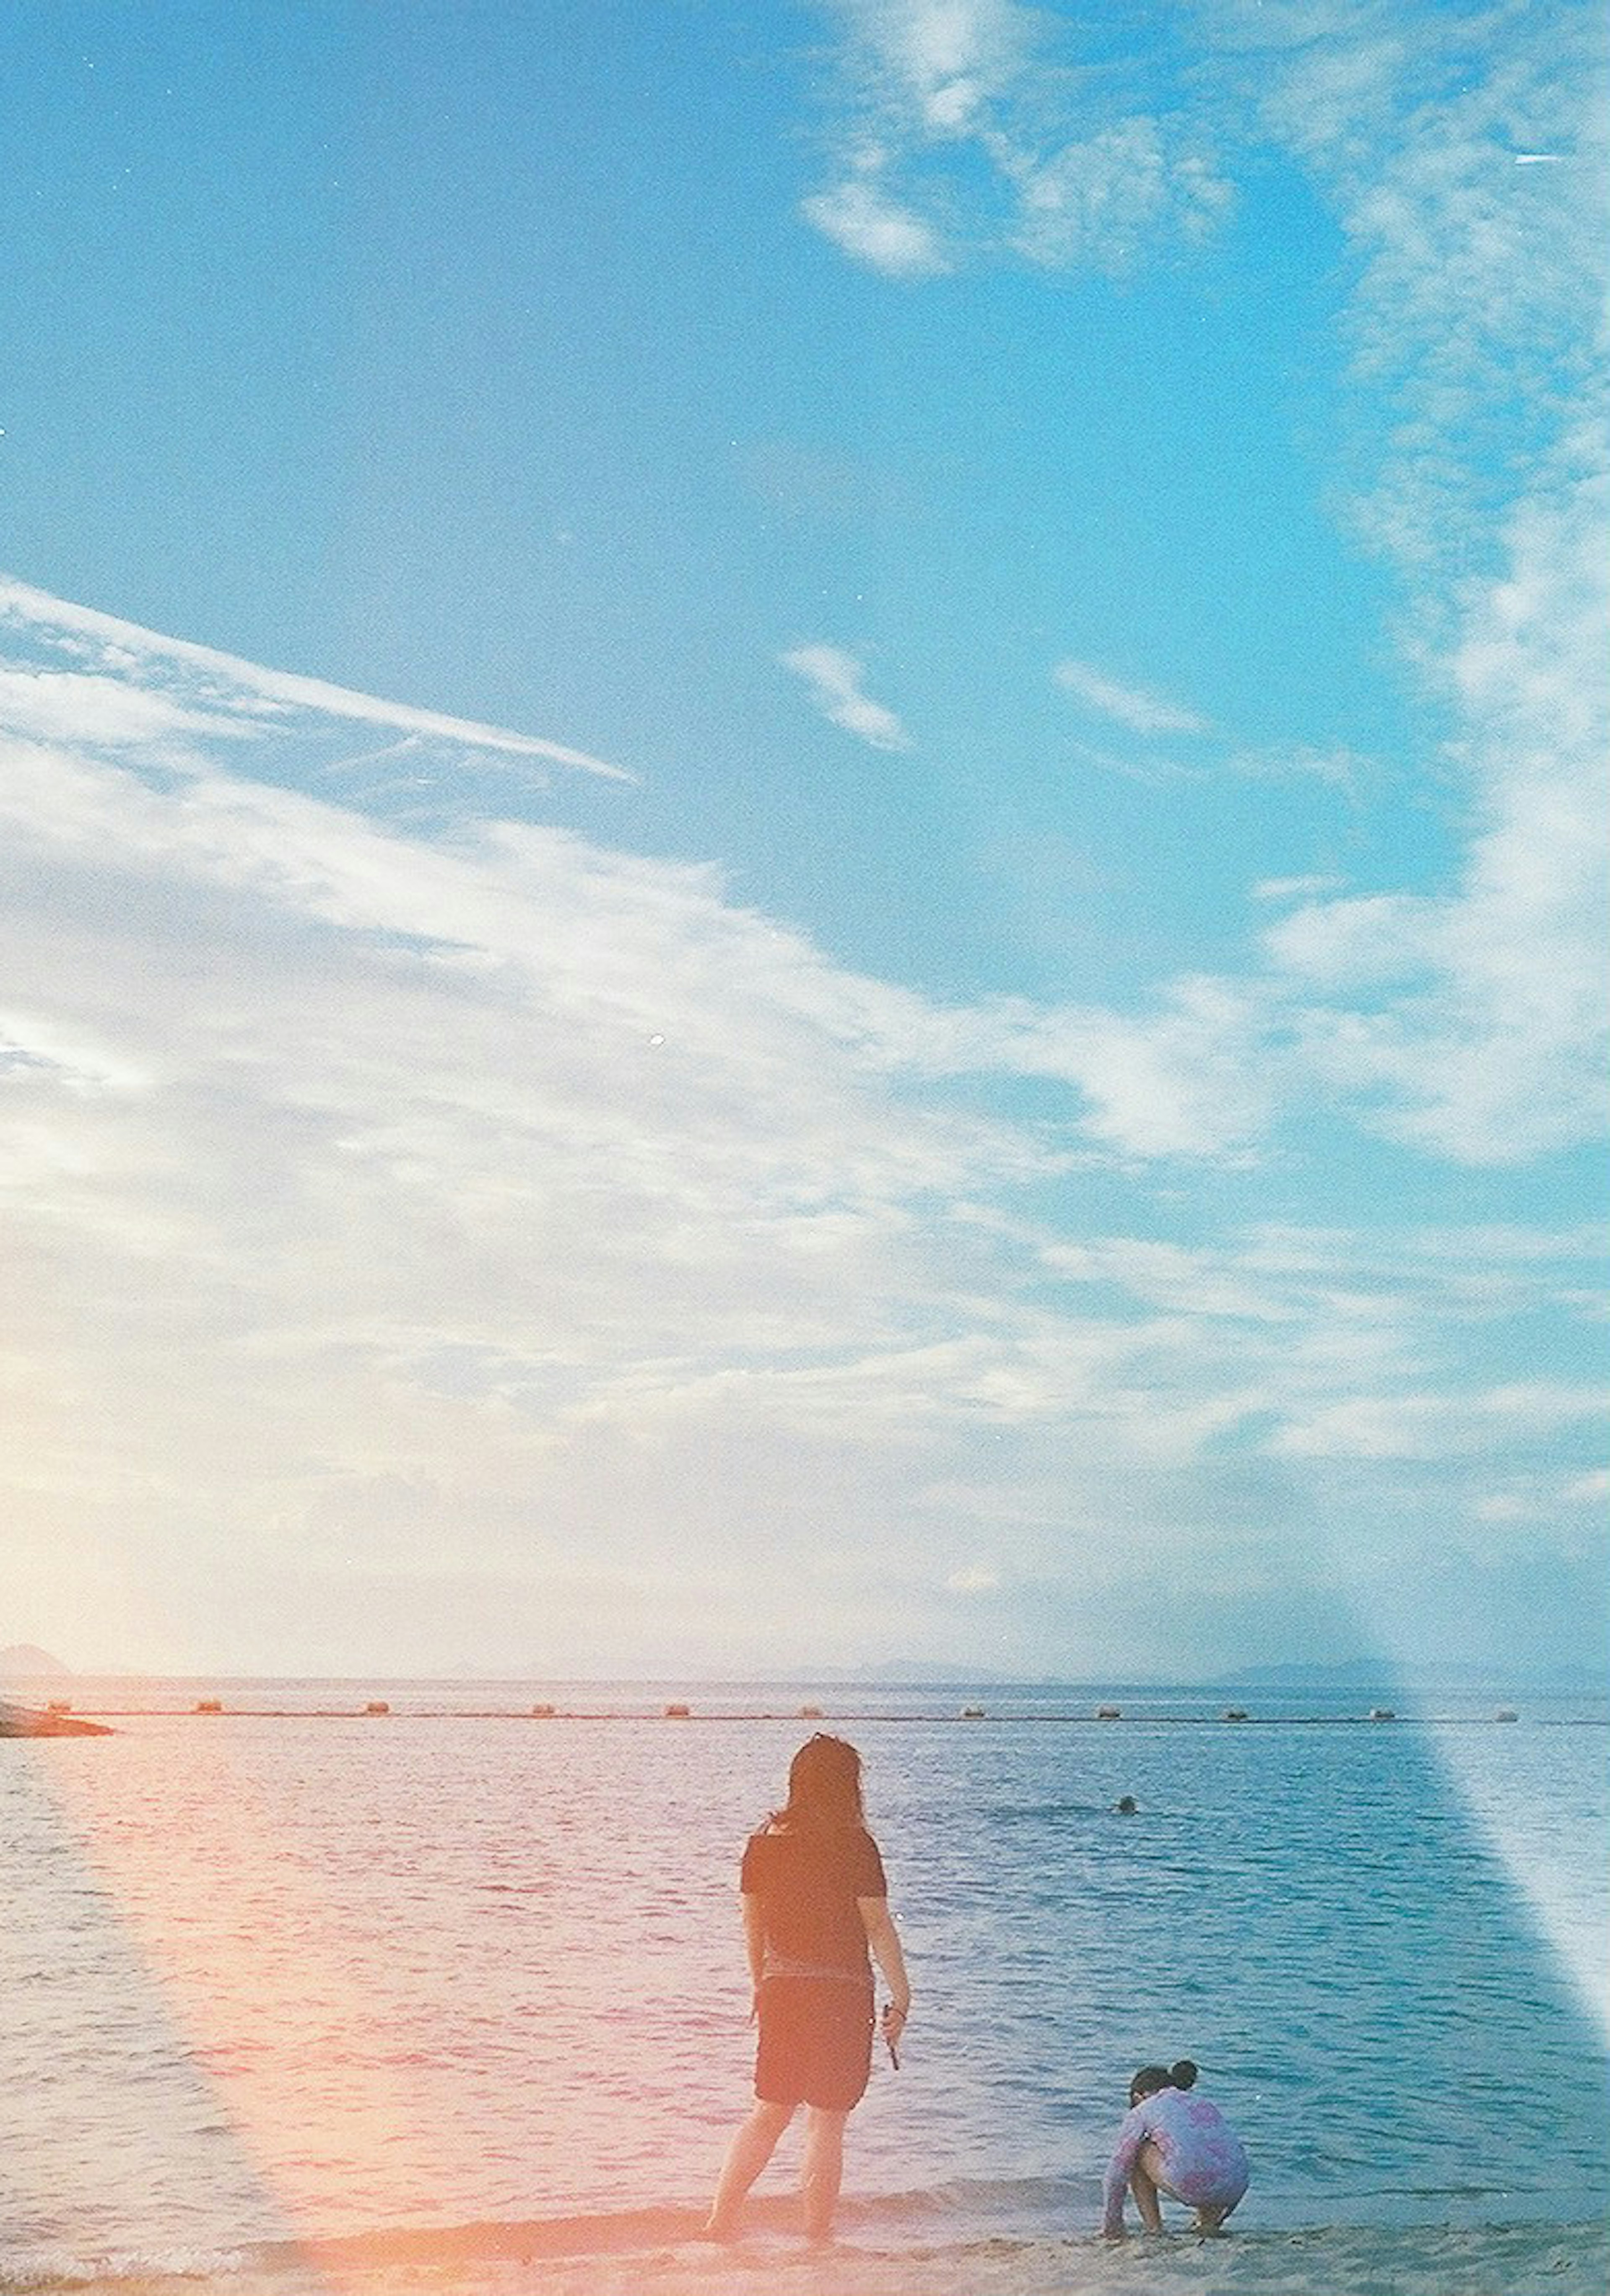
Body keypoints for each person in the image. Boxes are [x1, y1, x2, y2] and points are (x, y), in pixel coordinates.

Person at [704, 1734, 911, 2245]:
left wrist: (761, 1985)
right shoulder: (856, 1844)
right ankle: (817, 2234)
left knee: (769, 2112)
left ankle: (719, 2221)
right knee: (826, 2120)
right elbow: (878, 1927)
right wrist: (902, 1997)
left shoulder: (761, 1842)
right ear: (849, 1786)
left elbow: (754, 1927)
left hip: (782, 1989)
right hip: (842, 1993)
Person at [1101, 2058, 1249, 2237]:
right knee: (1203, 2153)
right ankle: (1207, 2225)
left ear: (1138, 2096)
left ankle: (1155, 2231)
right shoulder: (1202, 2103)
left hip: (1197, 2187)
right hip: (1236, 2189)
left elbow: (1117, 2173)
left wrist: (1112, 2223)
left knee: (1137, 2152)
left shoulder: (1144, 2109)